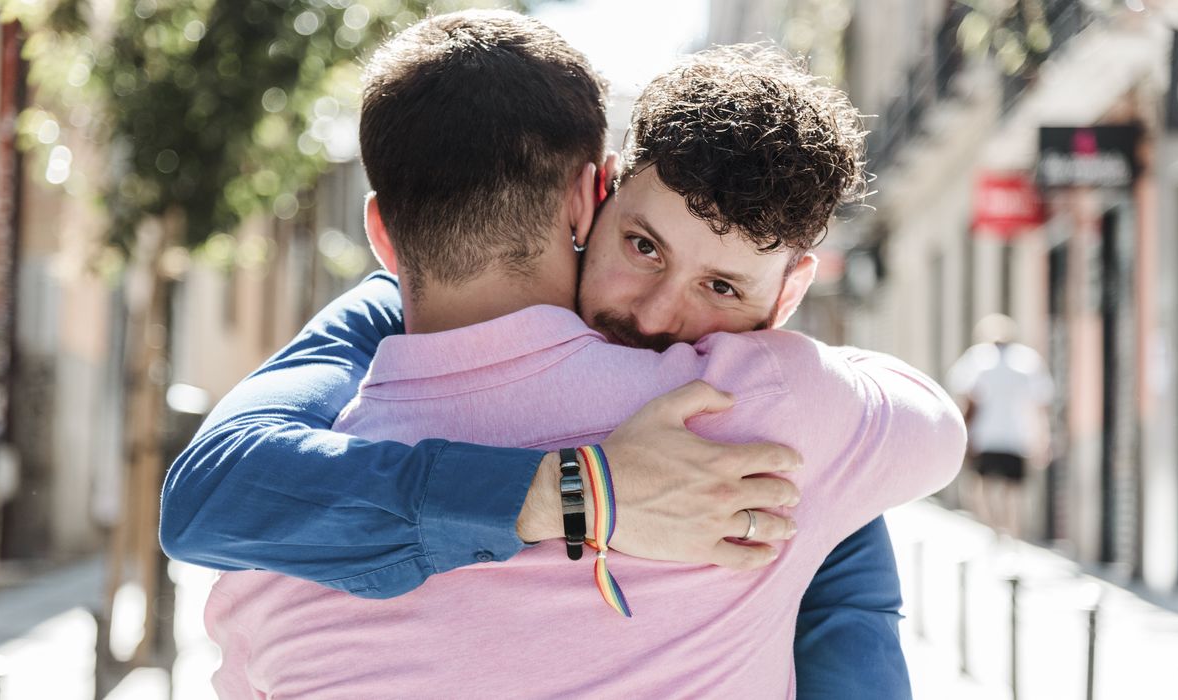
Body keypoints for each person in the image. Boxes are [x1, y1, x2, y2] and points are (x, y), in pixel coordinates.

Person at [199, 12, 966, 697]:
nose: (656, 317)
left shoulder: (262, 566)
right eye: (642, 247)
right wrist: (581, 493)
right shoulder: (777, 412)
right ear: (591, 197)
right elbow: (932, 432)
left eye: (722, 289)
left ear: (382, 236)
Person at [947, 313, 1053, 538]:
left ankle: (993, 530)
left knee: (981, 488)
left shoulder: (978, 358)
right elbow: (1039, 405)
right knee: (1014, 493)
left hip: (985, 436)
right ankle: (1011, 537)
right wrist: (1042, 439)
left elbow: (964, 397)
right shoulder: (1027, 360)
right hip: (1017, 438)